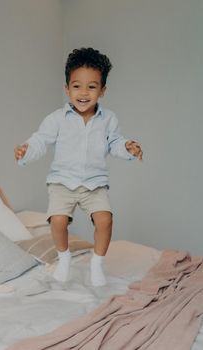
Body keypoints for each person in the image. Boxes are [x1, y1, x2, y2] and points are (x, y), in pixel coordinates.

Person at [15, 47, 143, 286]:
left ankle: (97, 264)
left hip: (94, 183)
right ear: (67, 89)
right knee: (58, 221)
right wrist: (26, 150)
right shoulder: (56, 119)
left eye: (92, 87)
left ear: (102, 90)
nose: (83, 93)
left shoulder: (108, 119)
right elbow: (40, 140)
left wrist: (127, 148)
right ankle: (64, 259)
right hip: (62, 182)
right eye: (76, 86)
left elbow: (115, 143)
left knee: (105, 220)